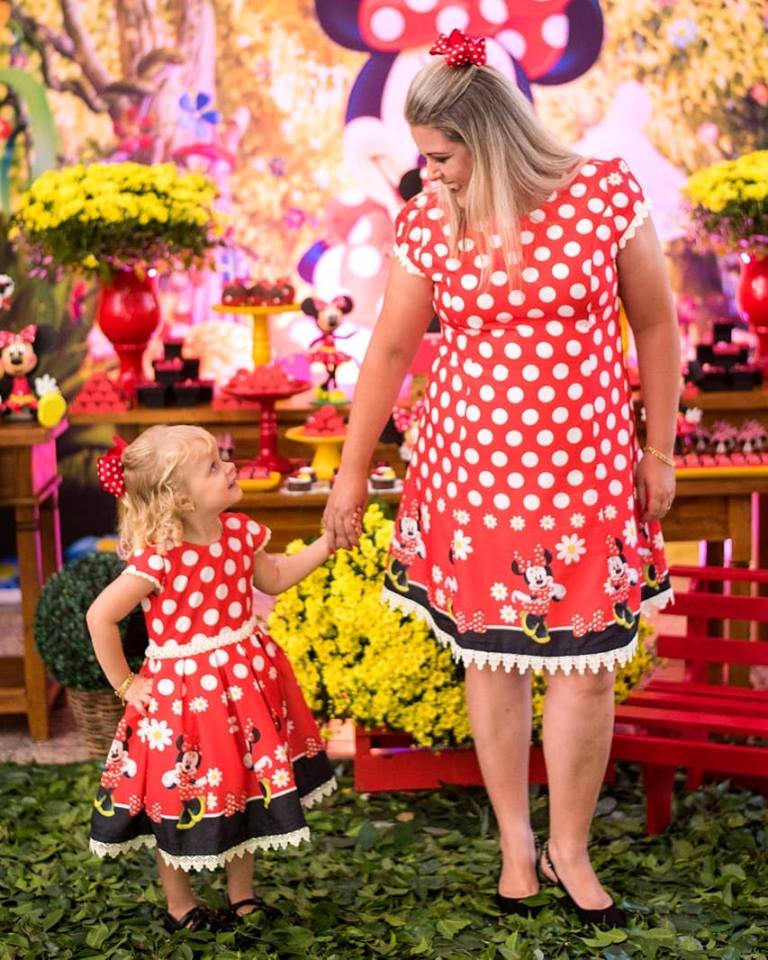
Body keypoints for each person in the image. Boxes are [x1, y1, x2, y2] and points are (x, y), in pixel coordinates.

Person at [323, 30, 679, 928]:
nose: (429, 172)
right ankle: (517, 845)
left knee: (587, 672)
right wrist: (351, 472)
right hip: (471, 478)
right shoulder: (428, 219)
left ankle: (570, 848)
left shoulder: (605, 194)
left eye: (442, 155)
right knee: (494, 658)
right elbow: (390, 351)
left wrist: (660, 448)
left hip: (590, 476)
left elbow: (657, 327)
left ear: (488, 136)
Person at [87, 425, 336, 933]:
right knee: (179, 795)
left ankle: (242, 894)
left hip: (243, 688)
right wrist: (127, 684)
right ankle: (180, 903)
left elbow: (276, 578)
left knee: (243, 784)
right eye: (214, 467)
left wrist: (328, 543)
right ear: (180, 499)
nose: (230, 468)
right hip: (184, 702)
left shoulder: (240, 533)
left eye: (223, 460)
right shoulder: (160, 556)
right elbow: (100, 616)